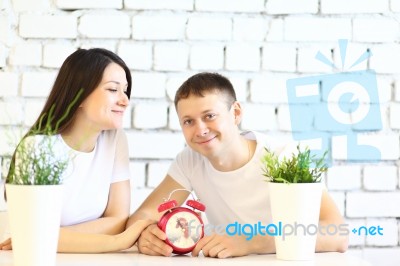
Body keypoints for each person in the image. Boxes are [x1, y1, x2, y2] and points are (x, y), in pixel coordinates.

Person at [126, 72, 349, 258]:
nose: (200, 129)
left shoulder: (285, 156)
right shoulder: (190, 160)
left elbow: (338, 233)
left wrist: (252, 242)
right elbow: (143, 215)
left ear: (236, 113)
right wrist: (146, 234)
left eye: (210, 116)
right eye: (188, 121)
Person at [0, 48, 151, 253]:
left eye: (125, 90)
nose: (125, 100)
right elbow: (31, 234)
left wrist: (56, 236)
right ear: (79, 95)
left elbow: (118, 219)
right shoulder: (37, 148)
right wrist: (116, 242)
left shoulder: (114, 140)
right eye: (113, 89)